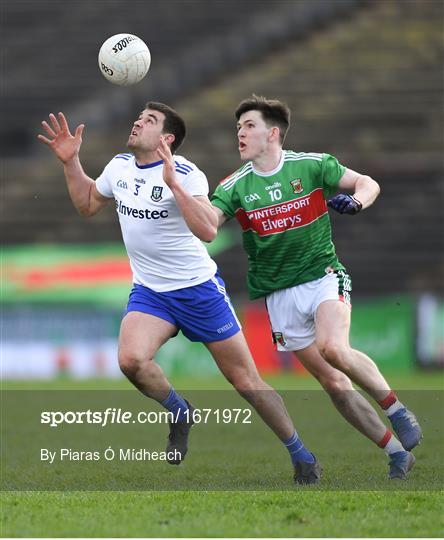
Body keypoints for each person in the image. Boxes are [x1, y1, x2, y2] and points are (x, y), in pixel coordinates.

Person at [37, 102, 321, 485]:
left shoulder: (186, 173)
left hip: (198, 290)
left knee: (246, 382)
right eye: (139, 117)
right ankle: (180, 411)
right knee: (131, 361)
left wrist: (172, 184)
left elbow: (207, 231)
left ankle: (301, 455)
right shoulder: (120, 167)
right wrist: (71, 162)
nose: (138, 122)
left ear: (167, 139)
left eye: (149, 121)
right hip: (151, 291)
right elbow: (87, 203)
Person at [210, 95, 422, 480]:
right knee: (333, 382)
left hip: (322, 276)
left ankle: (396, 410)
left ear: (272, 133)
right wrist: (174, 184)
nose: (240, 133)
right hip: (278, 296)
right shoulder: (235, 186)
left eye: (249, 126)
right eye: (238, 127)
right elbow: (208, 223)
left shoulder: (310, 165)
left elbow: (367, 182)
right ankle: (395, 453)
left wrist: (357, 201)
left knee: (334, 348)